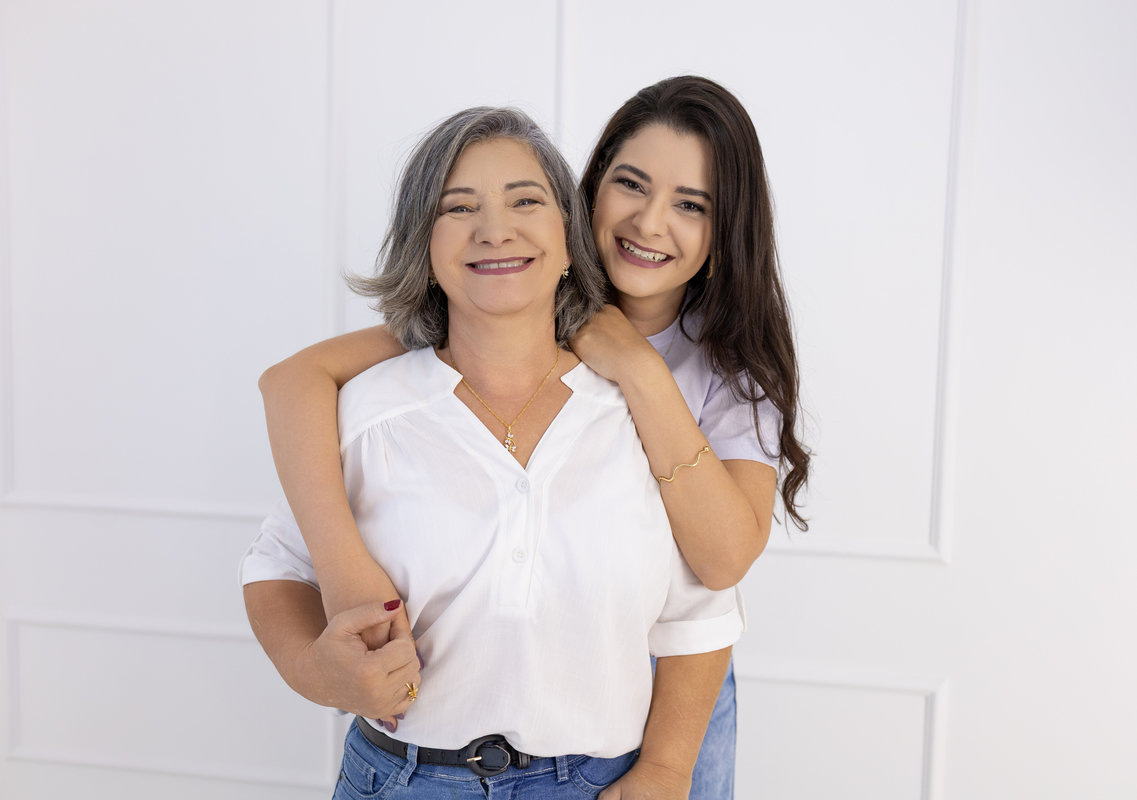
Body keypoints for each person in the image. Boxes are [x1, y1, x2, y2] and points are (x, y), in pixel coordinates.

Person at [257, 77, 809, 800]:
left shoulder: (720, 369)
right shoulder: (490, 302)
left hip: (663, 686)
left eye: (691, 205)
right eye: (630, 186)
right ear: (588, 198)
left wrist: (639, 371)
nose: (649, 221)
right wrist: (341, 578)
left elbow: (717, 571)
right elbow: (295, 384)